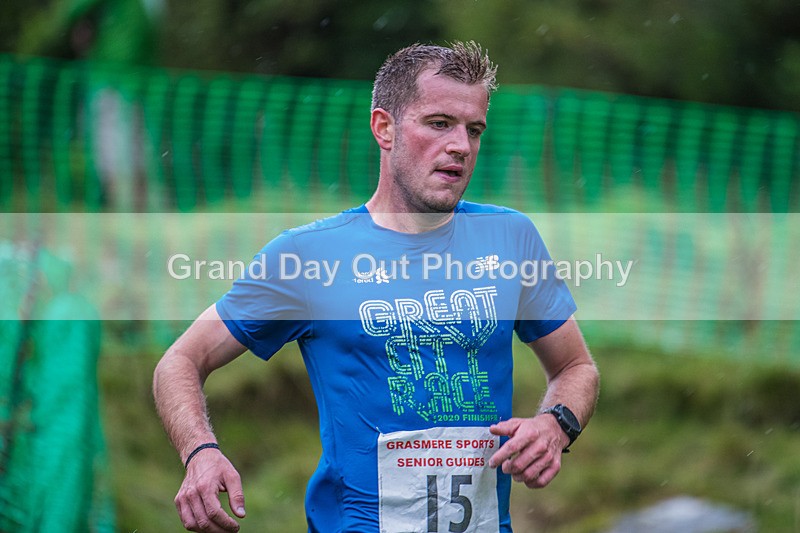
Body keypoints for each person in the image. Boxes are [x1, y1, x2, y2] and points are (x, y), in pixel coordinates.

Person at [153, 41, 599, 533]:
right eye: (438, 123)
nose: (460, 145)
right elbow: (180, 361)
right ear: (384, 128)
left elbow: (576, 366)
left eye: (474, 130)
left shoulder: (510, 239)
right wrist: (200, 451)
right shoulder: (309, 256)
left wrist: (556, 424)